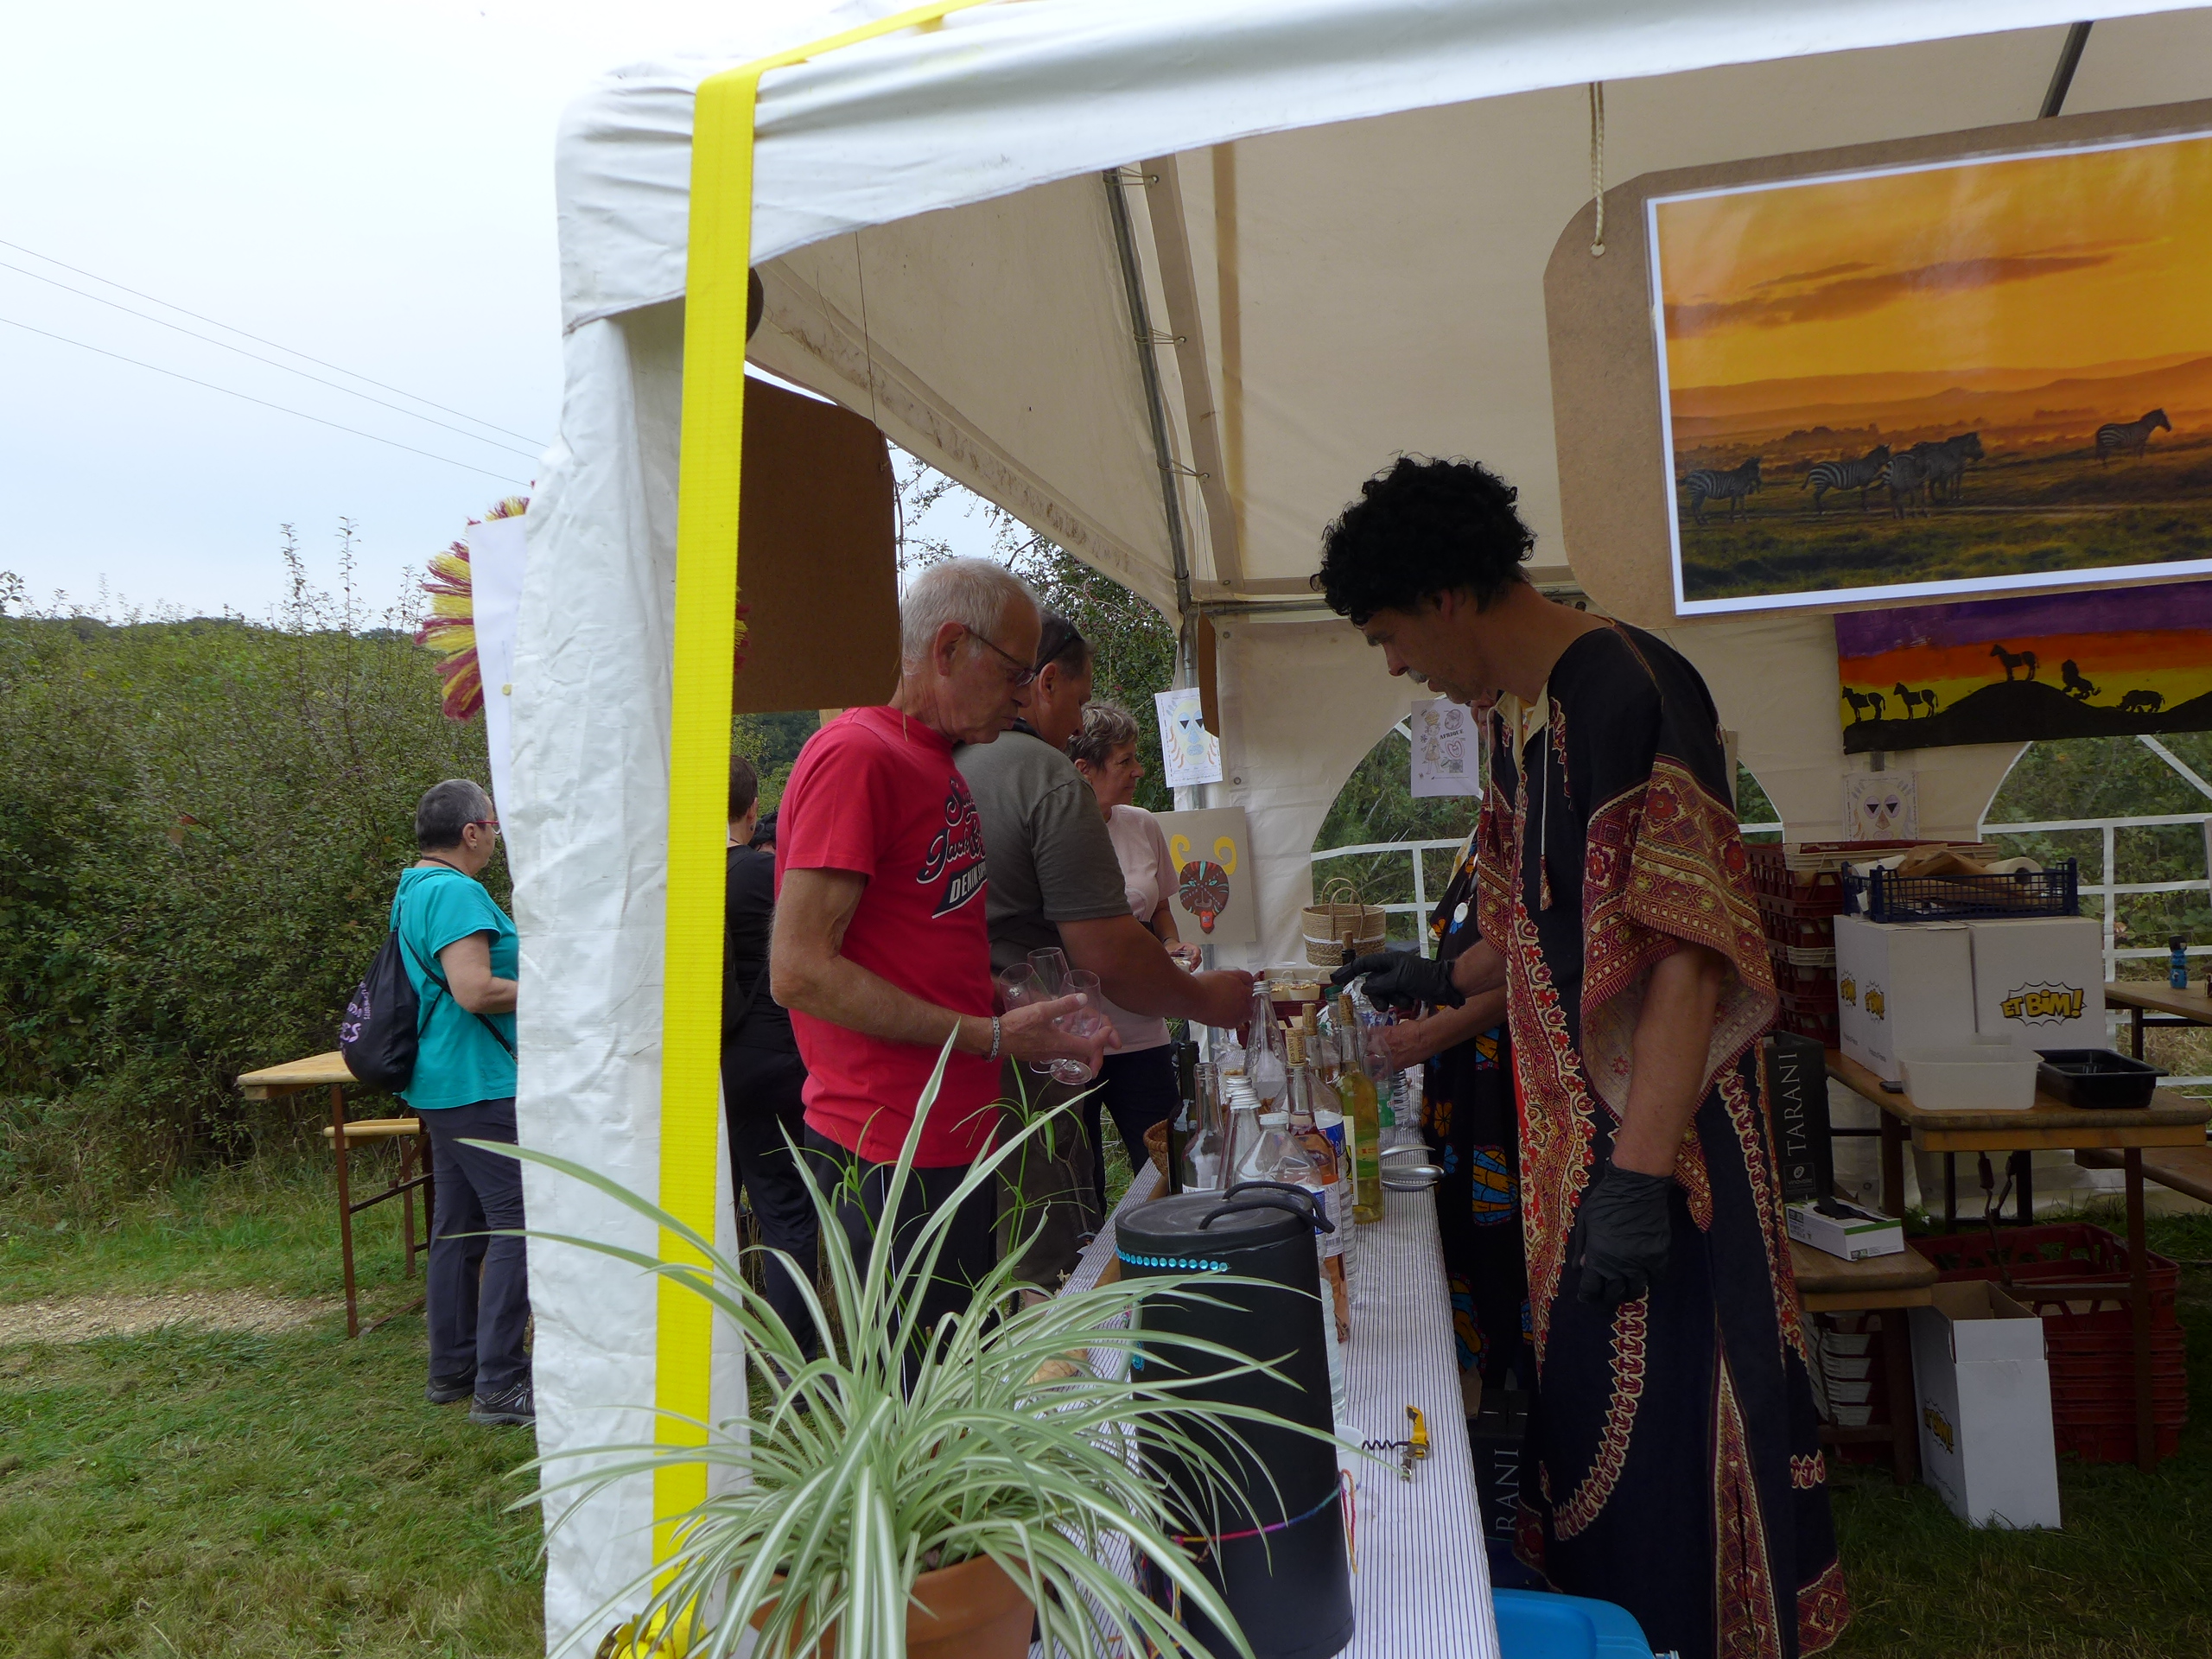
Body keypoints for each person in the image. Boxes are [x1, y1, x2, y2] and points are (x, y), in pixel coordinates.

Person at [1316, 457, 1846, 1659]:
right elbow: (1530, 929)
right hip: (1575, 1156)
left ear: (1445, 596)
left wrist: (1640, 1178)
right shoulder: (1521, 726)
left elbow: (1687, 954)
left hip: (1663, 1152)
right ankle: (1617, 1632)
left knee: (1679, 1433)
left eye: (1389, 634)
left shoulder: (1630, 689)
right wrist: (1434, 977)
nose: (1395, 665)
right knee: (1597, 1423)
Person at [770, 559, 1109, 1365]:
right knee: (918, 1392)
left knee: (962, 1377)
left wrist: (1007, 1006)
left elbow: (914, 944)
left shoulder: (934, 759)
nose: (1025, 696)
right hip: (888, 1142)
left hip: (950, 1130)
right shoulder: (857, 755)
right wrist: (992, 1037)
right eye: (1016, 673)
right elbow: (800, 969)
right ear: (950, 647)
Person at [955, 615, 1255, 1287]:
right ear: (1045, 682)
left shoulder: (947, 764)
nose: (1077, 724)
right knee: (1048, 1238)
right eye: (1080, 700)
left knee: (990, 1241)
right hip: (1031, 1046)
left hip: (955, 1052)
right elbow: (1108, 950)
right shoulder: (1045, 776)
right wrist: (1205, 1000)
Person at [1370, 831, 1526, 1414]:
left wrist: (1422, 1036)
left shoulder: (1543, 826)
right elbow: (1466, 961)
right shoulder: (1486, 832)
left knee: (1503, 1251)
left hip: (1503, 1090)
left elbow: (1533, 970)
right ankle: (1481, 1383)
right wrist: (1423, 990)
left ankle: (1516, 1400)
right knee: (1465, 1236)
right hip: (1463, 1087)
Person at [393, 779, 532, 1427]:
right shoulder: (454, 891)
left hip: (442, 1082)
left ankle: (453, 1368)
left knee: (460, 1225)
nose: (496, 837)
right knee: (518, 1222)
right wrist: (554, 986)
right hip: (476, 1082)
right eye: (494, 827)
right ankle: (500, 1384)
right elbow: (473, 990)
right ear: (472, 832)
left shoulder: (414, 887)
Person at [1066, 699, 1201, 1213]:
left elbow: (1161, 905)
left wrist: (1171, 945)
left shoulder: (1142, 824)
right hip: (1073, 1034)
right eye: (1125, 761)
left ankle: (1174, 1245)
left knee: (1167, 1161)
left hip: (1143, 1028)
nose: (1139, 771)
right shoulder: (1054, 833)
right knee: (1080, 1184)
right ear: (1085, 769)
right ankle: (1092, 1262)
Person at [721, 754, 818, 1357]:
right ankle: (803, 1354)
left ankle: (747, 1349)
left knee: (749, 1206)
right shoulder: (769, 873)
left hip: (722, 1064)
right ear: (754, 807)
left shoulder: (683, 883)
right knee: (807, 1203)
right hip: (788, 1054)